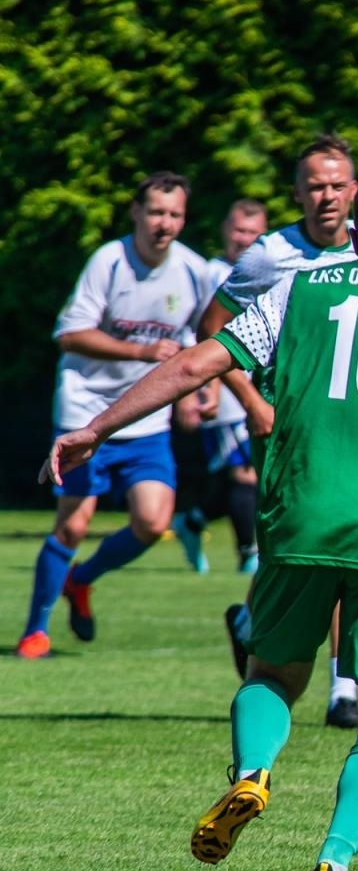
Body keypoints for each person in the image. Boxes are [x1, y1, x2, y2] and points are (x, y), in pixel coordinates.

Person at [44, 169, 358, 871]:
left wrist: (96, 427)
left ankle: (254, 771)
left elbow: (199, 360)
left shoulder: (302, 289)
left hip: (300, 516)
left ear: (355, 232)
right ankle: (334, 862)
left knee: (271, 673)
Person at [15, 171, 210, 661]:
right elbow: (70, 334)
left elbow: (194, 346)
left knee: (153, 520)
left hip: (144, 421)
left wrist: (191, 395)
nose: (164, 223)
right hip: (85, 412)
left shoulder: (193, 271)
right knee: (74, 525)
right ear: (137, 213)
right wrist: (142, 353)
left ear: (184, 219)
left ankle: (80, 580)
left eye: (175, 214)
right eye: (156, 212)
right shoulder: (109, 260)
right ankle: (35, 631)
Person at [204, 135, 358, 727]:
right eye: (315, 186)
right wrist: (249, 398)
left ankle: (343, 688)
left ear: (355, 190)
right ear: (298, 193)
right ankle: (249, 623)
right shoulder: (270, 256)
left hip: (348, 431)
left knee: (347, 549)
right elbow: (211, 327)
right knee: (291, 558)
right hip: (284, 430)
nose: (327, 196)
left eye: (337, 184)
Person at [172, 199, 270, 573]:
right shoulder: (211, 273)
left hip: (257, 383)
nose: (245, 239)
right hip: (227, 389)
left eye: (253, 232)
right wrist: (201, 390)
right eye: (239, 230)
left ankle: (193, 520)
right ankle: (248, 553)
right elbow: (199, 330)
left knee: (249, 471)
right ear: (226, 232)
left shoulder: (267, 271)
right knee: (244, 472)